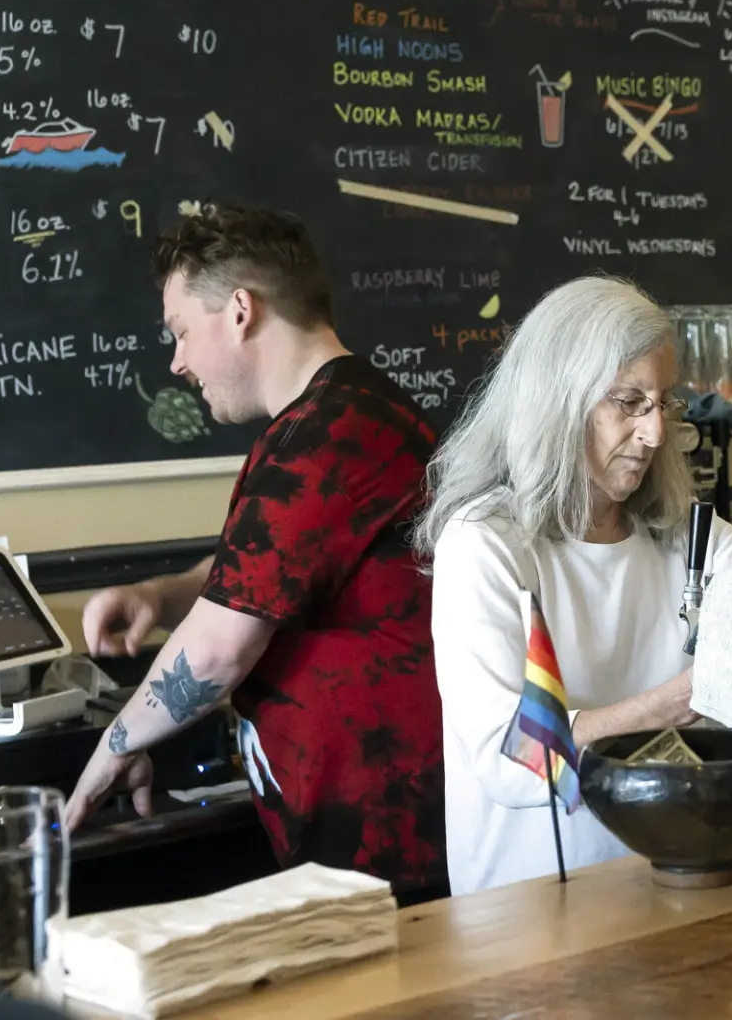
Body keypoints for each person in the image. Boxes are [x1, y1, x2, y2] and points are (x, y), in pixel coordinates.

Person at [415, 276, 732, 896]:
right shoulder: (484, 543)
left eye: (664, 404)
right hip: (531, 913)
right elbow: (514, 760)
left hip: (680, 887)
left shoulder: (687, 536)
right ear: (557, 400)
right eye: (628, 402)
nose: (656, 435)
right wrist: (690, 696)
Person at [64, 205, 449, 904]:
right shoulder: (339, 412)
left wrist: (113, 748)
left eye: (180, 332)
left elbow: (217, 651)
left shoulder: (331, 435)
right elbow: (265, 572)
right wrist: (163, 595)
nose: (176, 360)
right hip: (362, 821)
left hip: (388, 835)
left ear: (240, 310)